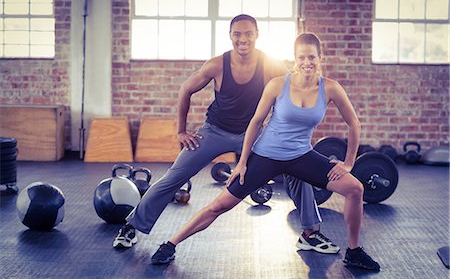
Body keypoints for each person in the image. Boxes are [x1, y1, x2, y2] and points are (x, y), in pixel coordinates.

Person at [150, 32, 381, 271]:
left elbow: (354, 122)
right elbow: (256, 122)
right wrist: (242, 163)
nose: (307, 62)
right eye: (301, 57)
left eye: (312, 57)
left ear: (321, 58)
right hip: (266, 157)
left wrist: (349, 162)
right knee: (220, 205)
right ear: (295, 59)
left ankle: (353, 251)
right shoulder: (278, 84)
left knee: (355, 189)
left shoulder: (331, 89)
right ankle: (170, 243)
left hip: (301, 156)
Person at [113, 15, 339, 256]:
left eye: (248, 34)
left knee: (296, 168)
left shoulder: (270, 65)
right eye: (237, 34)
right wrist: (181, 130)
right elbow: (186, 89)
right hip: (214, 131)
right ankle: (132, 226)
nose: (243, 39)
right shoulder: (217, 64)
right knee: (174, 176)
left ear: (257, 35)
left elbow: (296, 88)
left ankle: (310, 233)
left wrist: (300, 145)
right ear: (231, 36)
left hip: (251, 135)